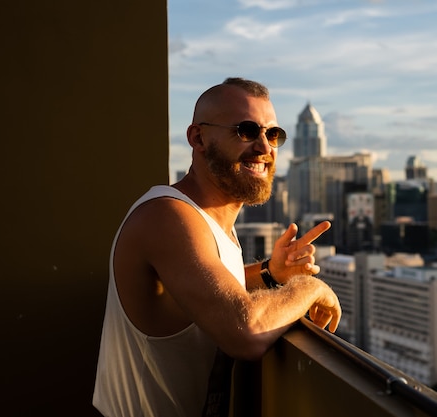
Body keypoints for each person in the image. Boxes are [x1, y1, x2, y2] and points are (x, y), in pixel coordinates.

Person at [93, 77, 342, 417]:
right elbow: (247, 332)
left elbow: (199, 290)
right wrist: (309, 287)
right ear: (198, 137)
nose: (265, 148)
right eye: (246, 130)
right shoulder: (167, 216)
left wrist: (271, 273)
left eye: (273, 135)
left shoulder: (206, 220)